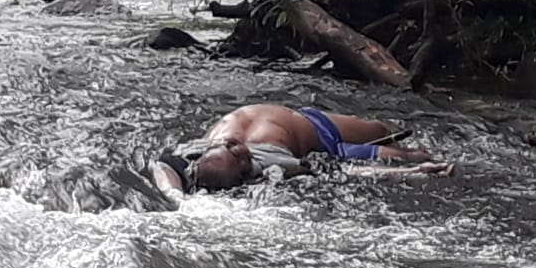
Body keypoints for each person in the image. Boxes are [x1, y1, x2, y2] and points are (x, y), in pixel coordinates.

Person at [151, 103, 452, 196]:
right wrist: (410, 172)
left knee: (382, 132)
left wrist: (174, 195)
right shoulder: (272, 165)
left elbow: (162, 167)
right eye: (236, 154)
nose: (234, 145)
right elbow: (340, 172)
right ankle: (422, 160)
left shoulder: (190, 155)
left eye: (229, 146)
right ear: (246, 171)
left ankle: (415, 157)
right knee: (393, 147)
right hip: (320, 135)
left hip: (308, 126)